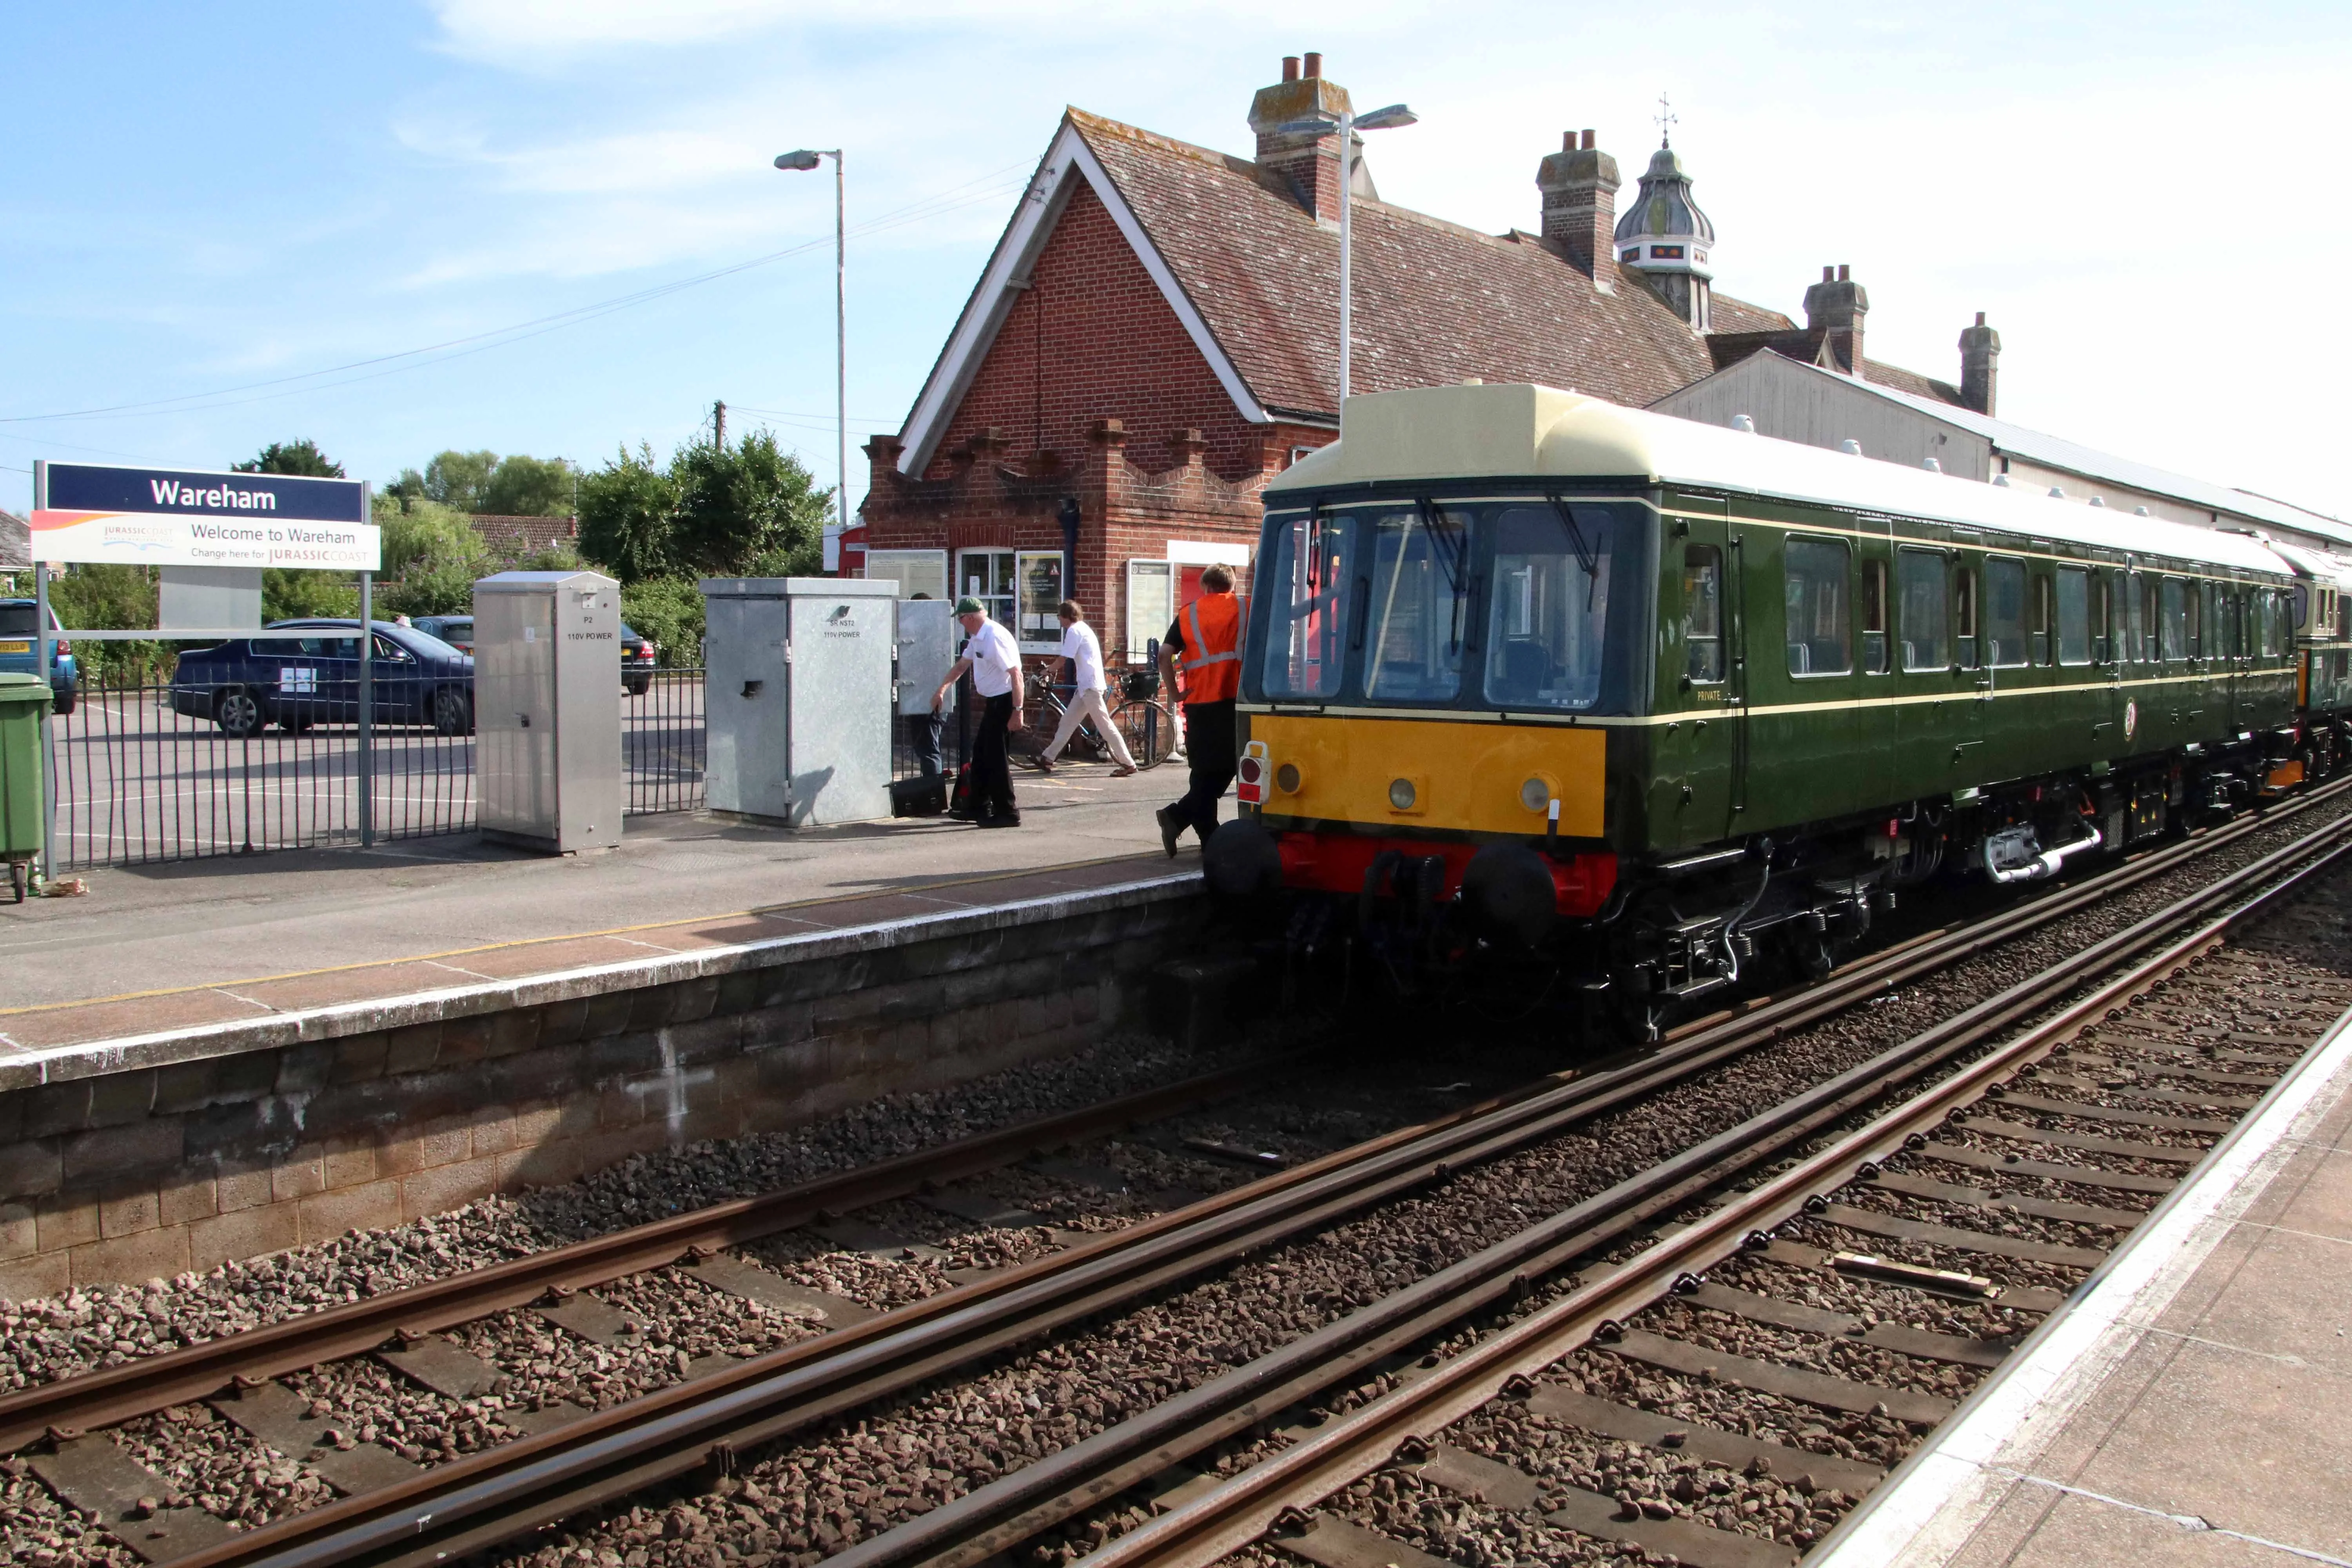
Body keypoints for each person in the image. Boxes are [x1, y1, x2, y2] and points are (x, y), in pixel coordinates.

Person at [1155, 563, 1242, 856]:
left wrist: (1175, 692)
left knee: (1204, 772)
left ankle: (1197, 830)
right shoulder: (1246, 608)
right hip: (1236, 701)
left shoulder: (1188, 614)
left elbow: (1164, 654)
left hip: (1199, 703)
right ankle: (1185, 822)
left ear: (1205, 587)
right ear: (1234, 586)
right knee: (1227, 767)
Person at [933, 596, 1023, 826]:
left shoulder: (994, 637)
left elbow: (1016, 675)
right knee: (982, 754)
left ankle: (1008, 812)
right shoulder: (977, 638)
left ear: (971, 617)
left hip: (1004, 701)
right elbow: (962, 666)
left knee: (996, 757)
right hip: (994, 702)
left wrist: (1018, 711)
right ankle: (977, 807)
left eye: (962, 619)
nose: (961, 623)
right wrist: (942, 689)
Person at [1033, 599, 1138, 777]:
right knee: (1068, 722)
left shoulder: (1074, 631)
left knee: (1105, 725)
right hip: (1086, 686)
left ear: (1066, 616)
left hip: (1090, 686)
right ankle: (1048, 758)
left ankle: (1129, 763)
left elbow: (1063, 659)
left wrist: (1046, 671)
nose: (1059, 620)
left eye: (1060, 616)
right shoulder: (1083, 628)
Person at [906, 592, 946, 780]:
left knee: (929, 749)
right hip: (924, 696)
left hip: (928, 698)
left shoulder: (929, 636)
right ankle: (931, 791)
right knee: (927, 747)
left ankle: (933, 793)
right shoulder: (936, 631)